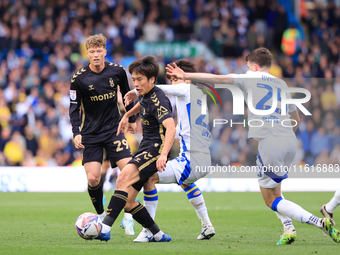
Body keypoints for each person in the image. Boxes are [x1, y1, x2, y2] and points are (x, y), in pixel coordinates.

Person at [166, 47, 340, 244]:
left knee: (270, 199)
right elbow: (295, 117)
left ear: (255, 67)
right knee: (276, 190)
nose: (246, 69)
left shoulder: (249, 77)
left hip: (270, 143)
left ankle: (320, 222)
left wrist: (185, 74)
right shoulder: (282, 83)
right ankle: (288, 228)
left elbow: (216, 78)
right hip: (290, 141)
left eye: (248, 66)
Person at [124, 59, 215, 241]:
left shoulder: (187, 89)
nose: (173, 83)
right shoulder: (198, 96)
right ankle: (207, 225)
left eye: (176, 78)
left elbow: (159, 90)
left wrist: (135, 90)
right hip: (202, 158)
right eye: (172, 79)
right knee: (185, 182)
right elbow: (150, 102)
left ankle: (149, 231)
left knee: (149, 177)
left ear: (187, 78)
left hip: (191, 159)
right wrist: (129, 113)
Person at [96, 56, 176, 243]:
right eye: (134, 79)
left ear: (152, 80)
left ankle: (104, 228)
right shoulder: (146, 94)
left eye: (140, 79)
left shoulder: (159, 99)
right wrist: (127, 115)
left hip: (156, 149)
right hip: (145, 147)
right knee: (129, 201)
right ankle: (157, 234)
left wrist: (163, 154)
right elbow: (144, 102)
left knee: (122, 178)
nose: (136, 83)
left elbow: (171, 128)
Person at [69, 34, 136, 235]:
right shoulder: (78, 78)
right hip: (90, 134)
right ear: (87, 53)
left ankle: (128, 216)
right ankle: (98, 216)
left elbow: (127, 96)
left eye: (99, 51)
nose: (96, 55)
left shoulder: (117, 71)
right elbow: (73, 108)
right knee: (93, 179)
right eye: (92, 51)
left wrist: (131, 121)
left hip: (114, 131)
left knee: (131, 173)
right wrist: (76, 132)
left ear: (105, 52)